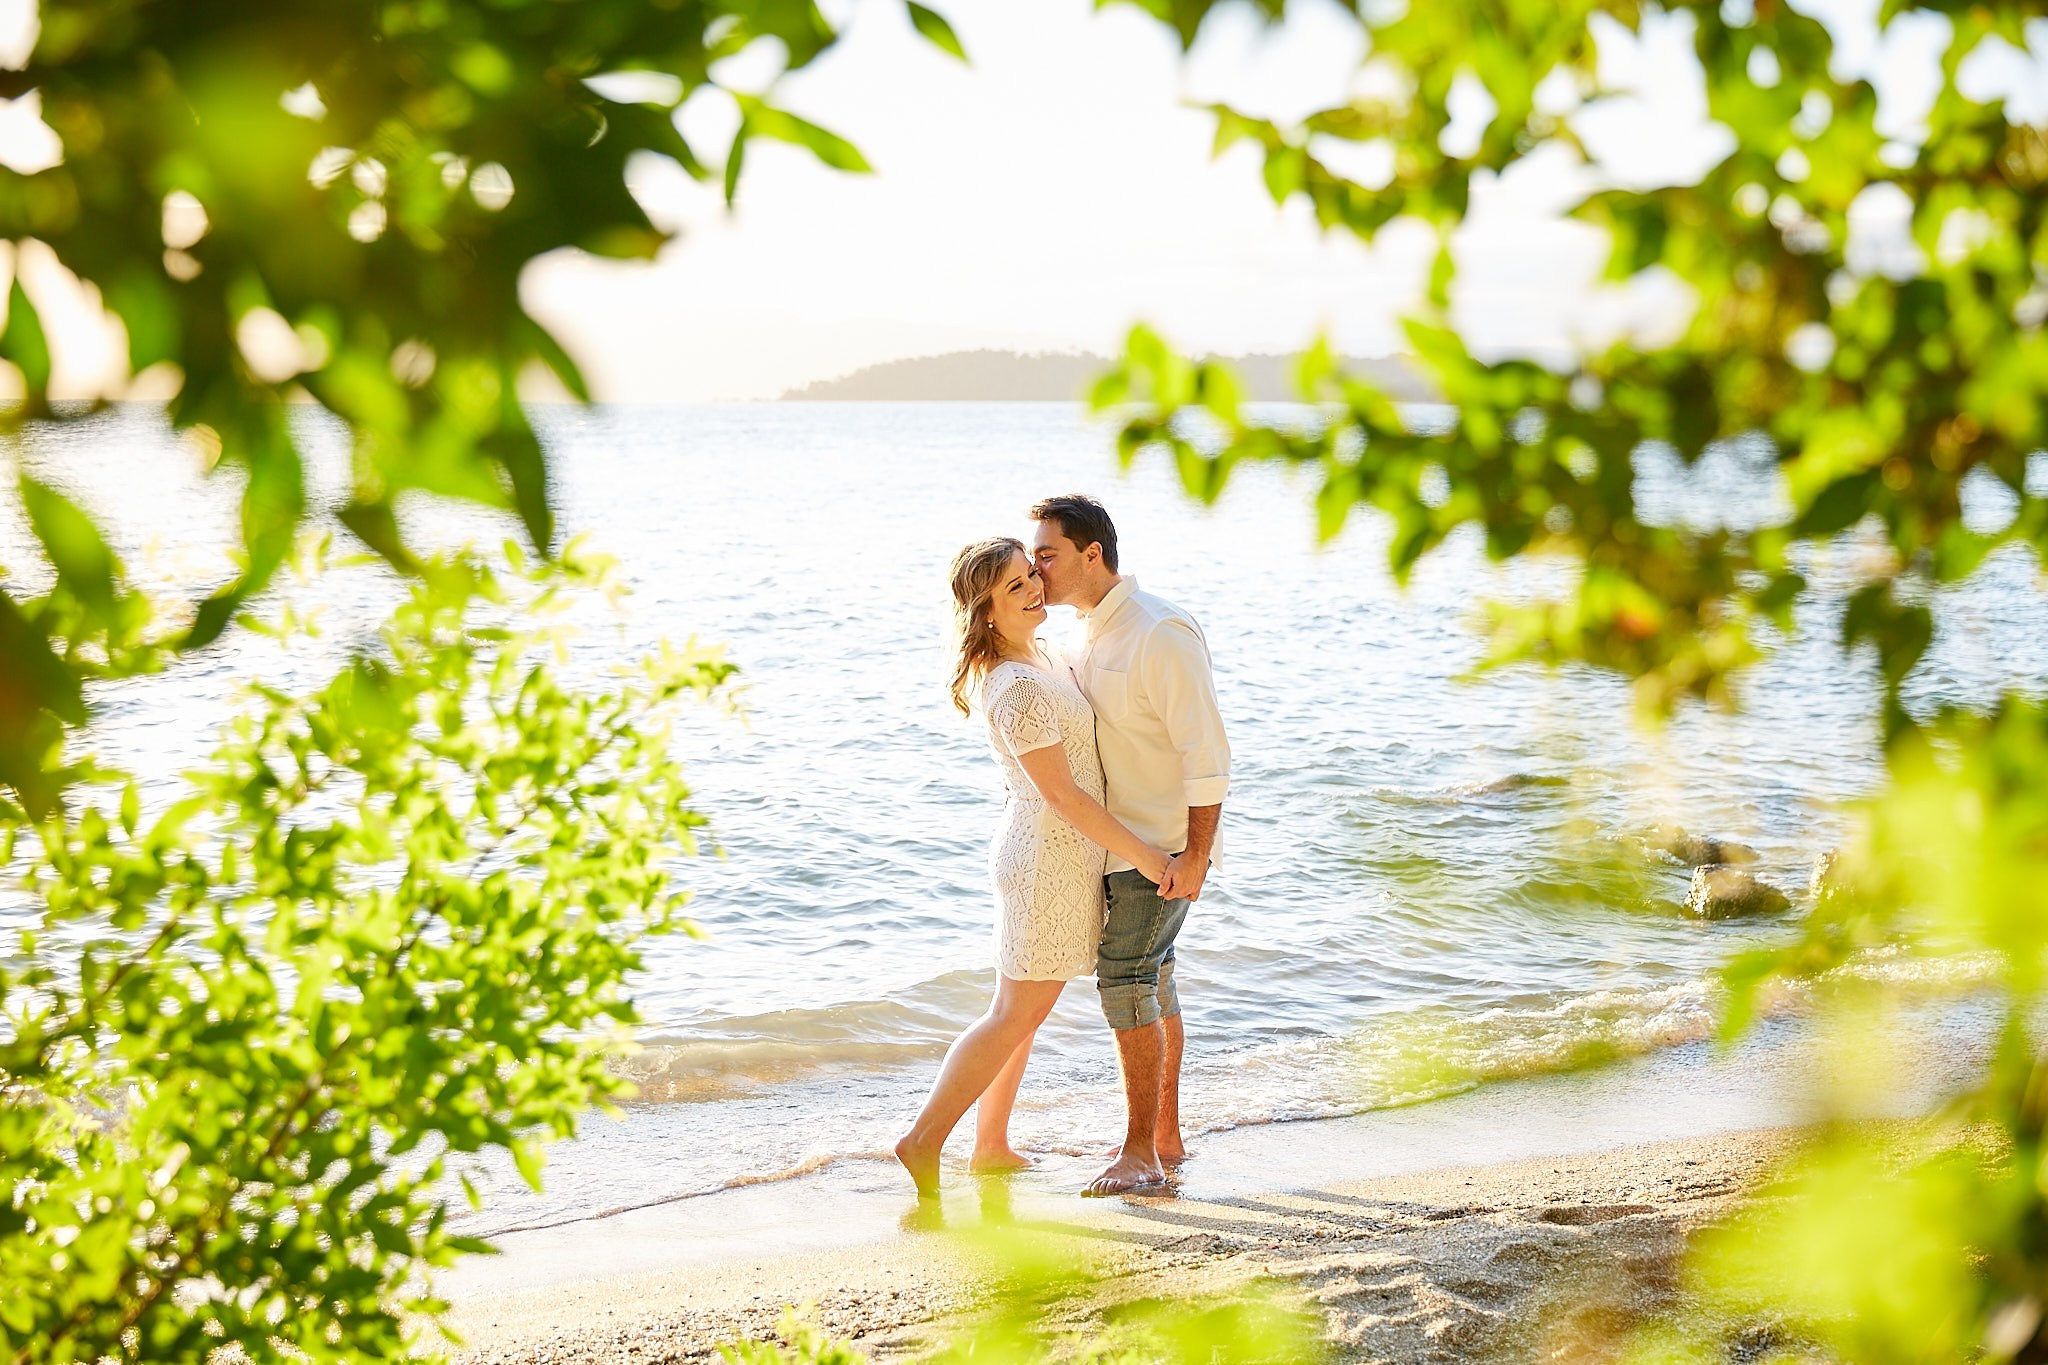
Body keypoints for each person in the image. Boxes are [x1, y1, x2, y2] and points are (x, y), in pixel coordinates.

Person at [893, 537, 1173, 1199]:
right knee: (1014, 1014)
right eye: (1015, 587)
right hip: (1046, 857)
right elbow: (1065, 795)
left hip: (1051, 851)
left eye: (1031, 576)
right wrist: (1148, 855)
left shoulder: (1037, 655)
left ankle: (989, 1146)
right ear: (986, 609)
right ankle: (923, 1138)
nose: (1034, 590)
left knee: (1016, 1010)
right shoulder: (1015, 684)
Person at [1028, 495, 1230, 1197]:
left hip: (1162, 850)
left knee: (1127, 979)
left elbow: (1207, 755)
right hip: (1118, 849)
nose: (1034, 566)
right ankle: (1165, 1136)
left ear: (1093, 554)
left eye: (1047, 553)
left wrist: (1195, 857)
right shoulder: (1085, 634)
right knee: (1155, 975)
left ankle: (1139, 1151)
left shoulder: (1159, 632)